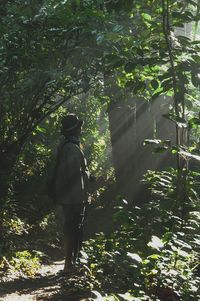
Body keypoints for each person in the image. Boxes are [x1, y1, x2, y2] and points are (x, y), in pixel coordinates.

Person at [55, 114, 90, 273]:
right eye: (78, 127)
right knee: (73, 228)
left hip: (69, 195)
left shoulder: (66, 145)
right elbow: (74, 174)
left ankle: (71, 262)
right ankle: (69, 264)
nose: (81, 129)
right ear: (74, 129)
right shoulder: (71, 148)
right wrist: (82, 195)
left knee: (73, 227)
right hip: (73, 197)